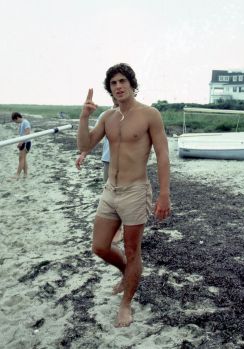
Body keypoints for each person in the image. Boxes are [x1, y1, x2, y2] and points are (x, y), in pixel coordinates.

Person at [77, 63, 171, 327]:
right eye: (113, 84)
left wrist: (164, 194)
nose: (118, 87)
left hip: (135, 191)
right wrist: (84, 117)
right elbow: (85, 145)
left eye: (122, 81)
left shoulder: (149, 114)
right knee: (100, 246)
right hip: (110, 190)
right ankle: (126, 273)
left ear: (131, 83)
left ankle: (126, 304)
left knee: (132, 251)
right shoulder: (107, 117)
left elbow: (163, 155)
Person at [76, 101, 123, 243]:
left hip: (128, 164)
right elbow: (94, 138)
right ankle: (117, 229)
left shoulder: (135, 113)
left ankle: (122, 227)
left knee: (124, 197)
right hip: (108, 161)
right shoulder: (105, 115)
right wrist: (83, 154)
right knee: (110, 196)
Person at [11, 112, 31, 179]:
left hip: (26, 142)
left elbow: (28, 132)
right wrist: (19, 142)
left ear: (17, 118)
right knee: (23, 159)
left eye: (15, 121)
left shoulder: (25, 122)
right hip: (23, 142)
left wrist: (21, 142)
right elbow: (22, 134)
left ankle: (17, 175)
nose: (15, 122)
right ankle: (25, 174)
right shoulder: (22, 123)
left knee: (21, 159)